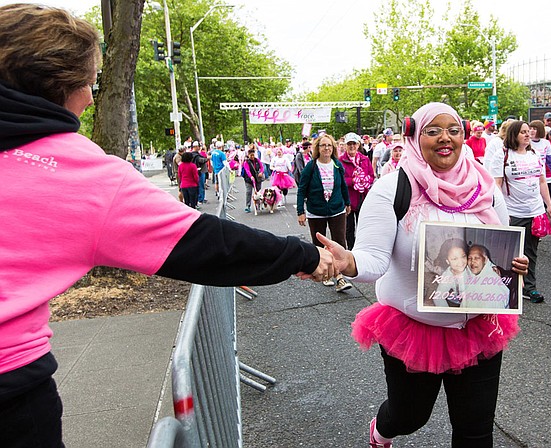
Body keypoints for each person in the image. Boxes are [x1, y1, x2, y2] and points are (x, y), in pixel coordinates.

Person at [0, 5, 335, 447]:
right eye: (92, 82)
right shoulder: (78, 175)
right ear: (63, 86)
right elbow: (207, 243)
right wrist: (307, 255)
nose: (90, 97)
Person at [315, 102, 529, 447]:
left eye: (454, 130)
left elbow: (501, 247)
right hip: (413, 330)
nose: (445, 139)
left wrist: (513, 266)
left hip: (478, 327)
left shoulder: (484, 187)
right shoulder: (392, 189)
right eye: (433, 130)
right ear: (414, 136)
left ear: (464, 136)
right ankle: (381, 431)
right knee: (409, 416)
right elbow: (373, 258)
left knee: (475, 432)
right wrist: (348, 262)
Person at [495, 120, 551, 303]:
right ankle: (506, 285)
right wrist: (500, 212)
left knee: (531, 252)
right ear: (513, 135)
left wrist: (549, 205)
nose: (527, 134)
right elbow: (496, 185)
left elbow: (542, 182)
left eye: (528, 131)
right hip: (512, 213)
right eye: (523, 132)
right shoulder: (503, 155)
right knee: (509, 252)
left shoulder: (535, 154)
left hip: (535, 212)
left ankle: (529, 288)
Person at [296, 134, 353, 293]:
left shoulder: (337, 165)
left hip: (337, 209)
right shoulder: (311, 166)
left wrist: (347, 202)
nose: (326, 148)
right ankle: (324, 274)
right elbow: (302, 189)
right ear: (318, 149)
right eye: (323, 145)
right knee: (319, 244)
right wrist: (300, 211)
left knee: (339, 242)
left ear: (333, 148)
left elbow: (342, 186)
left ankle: (339, 276)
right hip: (316, 211)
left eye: (329, 145)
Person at [339, 132, 374, 249]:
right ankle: (351, 250)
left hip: (362, 198)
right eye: (349, 144)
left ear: (358, 145)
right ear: (345, 145)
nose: (352, 146)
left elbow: (371, 175)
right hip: (348, 199)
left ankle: (362, 249)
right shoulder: (340, 161)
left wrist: (366, 181)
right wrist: (353, 181)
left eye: (354, 144)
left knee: (362, 226)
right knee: (349, 228)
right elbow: (339, 180)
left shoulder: (365, 159)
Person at [242, 148, 264, 213]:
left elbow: (262, 167)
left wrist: (261, 172)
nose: (252, 157)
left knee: (258, 191)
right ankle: (248, 206)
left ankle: (258, 204)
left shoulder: (257, 160)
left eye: (253, 155)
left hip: (257, 178)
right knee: (249, 192)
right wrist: (251, 176)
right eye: (251, 155)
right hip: (249, 179)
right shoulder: (246, 162)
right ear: (248, 155)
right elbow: (247, 170)